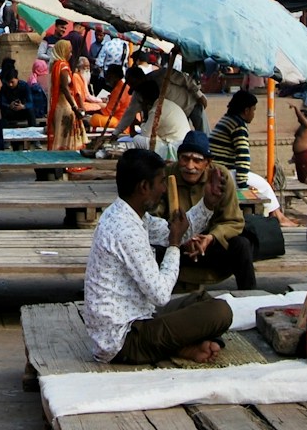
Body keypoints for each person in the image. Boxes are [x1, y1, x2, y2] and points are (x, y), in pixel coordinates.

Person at [83, 147, 235, 364]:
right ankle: (181, 346)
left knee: (201, 299)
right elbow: (161, 294)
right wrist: (174, 245)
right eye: (161, 182)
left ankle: (183, 346)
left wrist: (207, 203)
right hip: (124, 340)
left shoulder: (129, 214)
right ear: (144, 187)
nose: (164, 189)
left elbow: (172, 230)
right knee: (220, 312)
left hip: (141, 316)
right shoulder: (124, 229)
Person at [160, 131, 256, 289]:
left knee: (242, 245)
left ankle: (250, 297)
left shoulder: (221, 176)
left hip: (212, 246)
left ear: (208, 162)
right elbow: (155, 218)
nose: (190, 166)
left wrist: (211, 237)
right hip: (177, 244)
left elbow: (234, 221)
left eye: (197, 161)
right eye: (185, 159)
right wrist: (179, 237)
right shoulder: (168, 175)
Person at [210, 91, 258, 191]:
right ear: (246, 110)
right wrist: (243, 185)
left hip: (214, 168)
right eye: (253, 110)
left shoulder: (227, 119)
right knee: (264, 188)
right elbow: (243, 157)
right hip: (223, 172)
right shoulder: (238, 126)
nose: (254, 114)